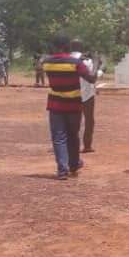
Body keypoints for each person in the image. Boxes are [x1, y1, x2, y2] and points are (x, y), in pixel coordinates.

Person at [41, 34, 98, 180]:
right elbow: (91, 78)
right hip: (73, 105)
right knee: (73, 135)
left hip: (55, 105)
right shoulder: (75, 63)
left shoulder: (47, 63)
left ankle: (62, 170)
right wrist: (96, 62)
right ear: (67, 46)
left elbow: (39, 65)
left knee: (59, 137)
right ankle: (73, 164)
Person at [70, 40, 102, 153]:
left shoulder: (66, 59)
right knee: (89, 120)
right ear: (81, 47)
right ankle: (87, 145)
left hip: (71, 94)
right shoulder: (87, 61)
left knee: (73, 121)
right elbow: (92, 77)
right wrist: (99, 66)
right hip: (87, 94)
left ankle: (71, 144)